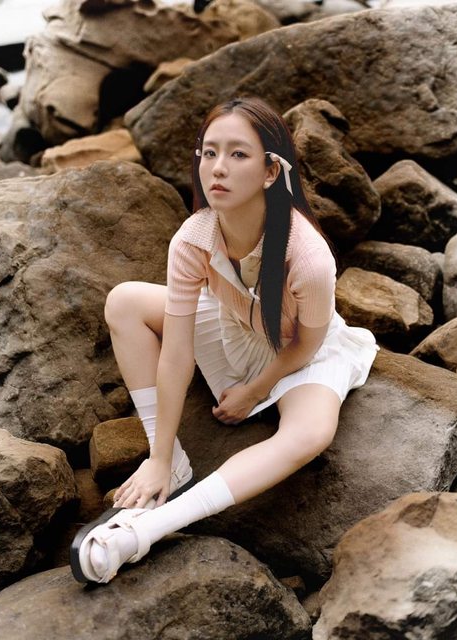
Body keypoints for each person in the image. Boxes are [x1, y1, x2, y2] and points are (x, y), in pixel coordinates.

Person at [70, 96, 379, 584]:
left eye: (238, 154)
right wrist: (159, 455)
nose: (218, 168)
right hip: (234, 326)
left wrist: (255, 391)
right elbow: (176, 353)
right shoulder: (194, 237)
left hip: (296, 352)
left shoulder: (308, 255)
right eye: (209, 152)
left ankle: (148, 529)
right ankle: (171, 469)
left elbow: (307, 344)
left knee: (311, 433)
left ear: (271, 171)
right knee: (124, 301)